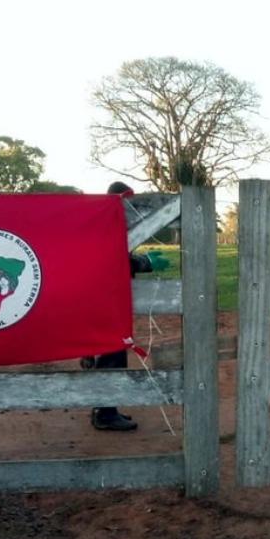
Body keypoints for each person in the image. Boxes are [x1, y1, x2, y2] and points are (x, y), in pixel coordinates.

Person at [87, 181, 171, 431]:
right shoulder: (106, 224)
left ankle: (102, 408)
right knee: (112, 353)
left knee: (109, 351)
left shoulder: (107, 223)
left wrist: (140, 261)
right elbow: (110, 259)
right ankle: (104, 412)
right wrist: (143, 263)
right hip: (106, 299)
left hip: (103, 298)